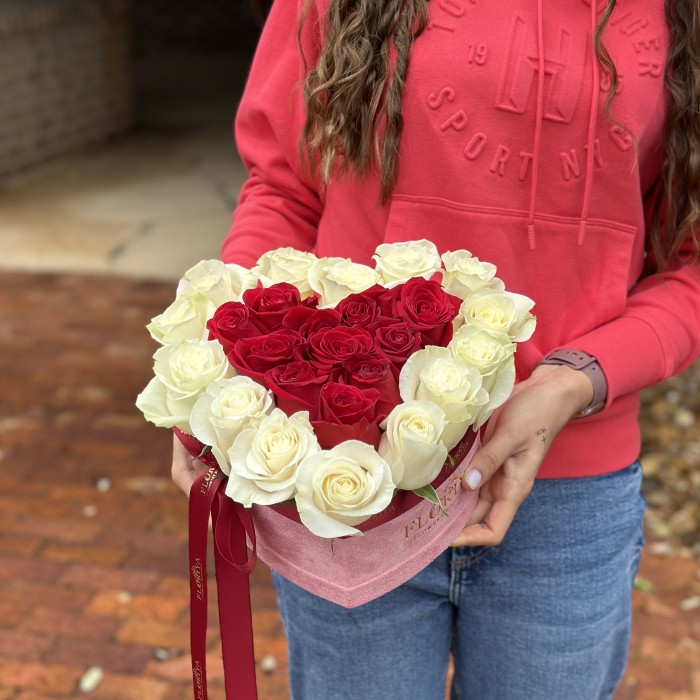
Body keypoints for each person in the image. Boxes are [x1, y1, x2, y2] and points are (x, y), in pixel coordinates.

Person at [171, 0, 700, 697]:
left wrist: (573, 379)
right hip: (349, 480)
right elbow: (285, 189)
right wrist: (229, 361)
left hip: (567, 503)